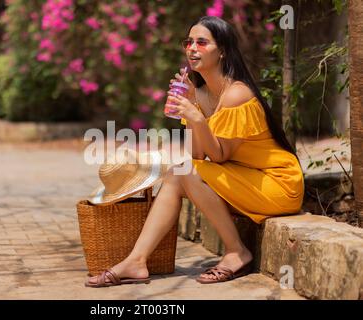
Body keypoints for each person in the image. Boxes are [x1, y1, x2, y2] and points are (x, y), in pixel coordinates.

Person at [85, 15, 304, 287]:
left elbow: (220, 155)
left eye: (202, 42)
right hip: (244, 177)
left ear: (222, 50)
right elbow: (198, 157)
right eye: (188, 42)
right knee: (180, 172)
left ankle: (237, 252)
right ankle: (137, 260)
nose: (192, 48)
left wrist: (198, 118)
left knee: (182, 171)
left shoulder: (237, 94)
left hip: (277, 183)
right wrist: (191, 109)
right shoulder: (201, 94)